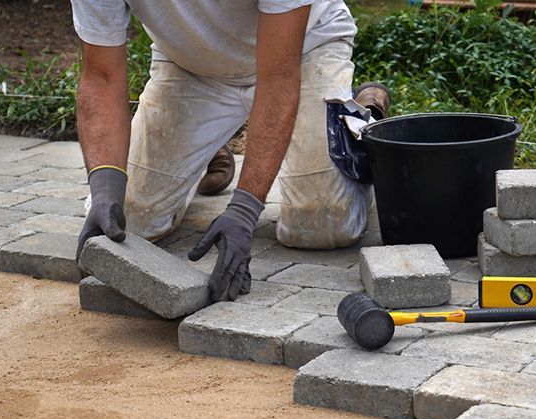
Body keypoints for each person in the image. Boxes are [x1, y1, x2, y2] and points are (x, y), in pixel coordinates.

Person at [71, 0, 390, 302]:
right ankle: (205, 147)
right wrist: (104, 187)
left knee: (322, 224)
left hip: (304, 52)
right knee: (126, 221)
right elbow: (101, 75)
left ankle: (359, 120)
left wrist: (244, 211)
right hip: (191, 66)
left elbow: (278, 74)